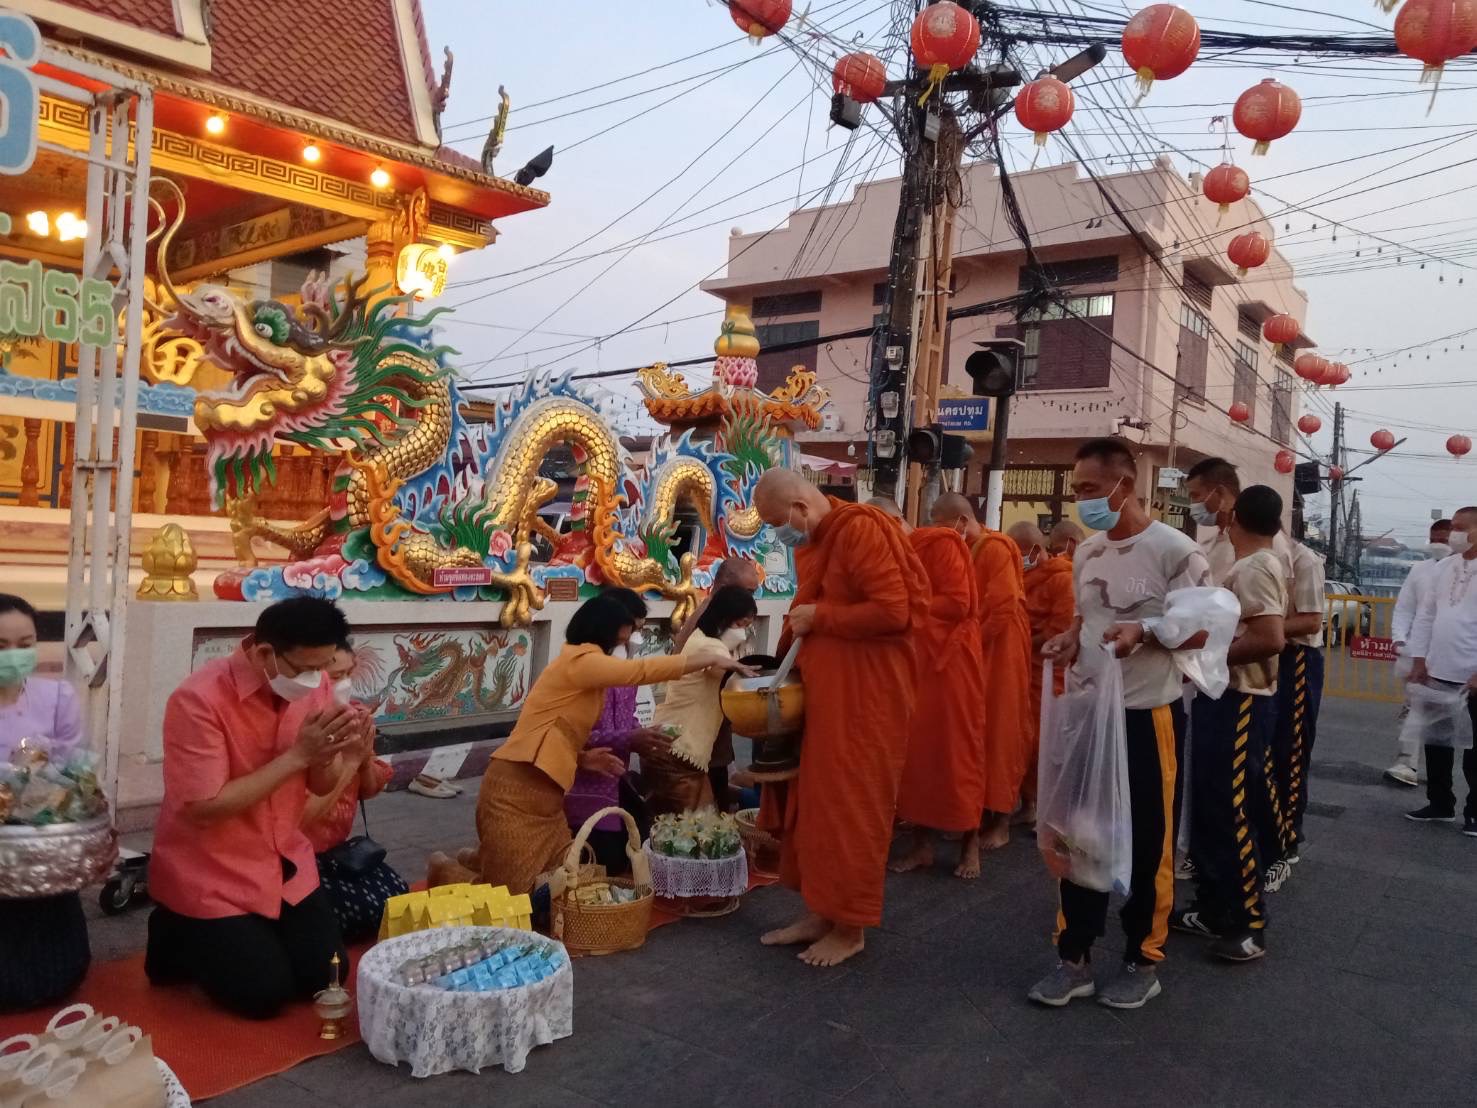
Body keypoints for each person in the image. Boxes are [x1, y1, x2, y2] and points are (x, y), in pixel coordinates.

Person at [1029, 439, 1210, 1010]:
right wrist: (1066, 640)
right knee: (1077, 836)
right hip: (1087, 713)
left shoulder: (1176, 552)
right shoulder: (1087, 552)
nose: (1081, 501)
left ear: (1124, 486)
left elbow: (1204, 631)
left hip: (1144, 715)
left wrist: (1147, 632)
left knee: (1147, 840)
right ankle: (1074, 956)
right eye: (1077, 489)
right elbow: (1087, 619)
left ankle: (1142, 958)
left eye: (1088, 489)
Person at [428, 595, 751, 895]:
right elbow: (640, 671)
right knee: (513, 895)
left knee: (559, 880)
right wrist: (703, 657)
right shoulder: (581, 660)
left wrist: (583, 759)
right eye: (621, 641)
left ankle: (483, 858)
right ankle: (445, 870)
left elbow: (558, 730)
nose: (625, 647)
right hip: (515, 789)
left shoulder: (589, 677)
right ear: (602, 634)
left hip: (548, 797)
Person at [145, 597, 359, 1019]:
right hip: (212, 867)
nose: (314, 680)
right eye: (302, 669)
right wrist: (298, 756)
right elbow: (204, 808)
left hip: (283, 862)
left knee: (327, 976)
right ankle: (176, 929)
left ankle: (248, 934)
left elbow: (322, 782)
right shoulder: (199, 700)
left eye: (323, 668)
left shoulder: (316, 685)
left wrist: (332, 753)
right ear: (264, 653)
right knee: (262, 995)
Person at [753, 468, 927, 967]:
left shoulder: (860, 529)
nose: (776, 535)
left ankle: (849, 928)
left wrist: (822, 618)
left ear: (801, 510)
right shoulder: (826, 536)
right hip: (829, 695)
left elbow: (895, 611)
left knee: (852, 806)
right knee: (816, 807)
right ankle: (820, 911)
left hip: (866, 700)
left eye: (774, 523)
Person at [1175, 486, 1288, 964]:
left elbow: (1270, 637)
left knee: (1231, 806)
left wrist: (1206, 657)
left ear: (1234, 515)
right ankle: (1215, 906)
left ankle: (1249, 923)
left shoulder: (1259, 565)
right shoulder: (1241, 563)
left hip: (1242, 698)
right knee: (1208, 804)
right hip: (1219, 695)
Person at [0, 593, 91, 1011]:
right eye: (1, 646)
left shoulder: (57, 698)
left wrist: (39, 791)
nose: (14, 655)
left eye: (25, 643)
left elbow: (73, 769)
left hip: (38, 835)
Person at [930, 492, 1034, 850]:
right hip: (975, 650)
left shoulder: (995, 548)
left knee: (1002, 731)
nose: (941, 534)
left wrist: (972, 643)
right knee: (972, 730)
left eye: (944, 527)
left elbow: (1002, 604)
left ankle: (1001, 819)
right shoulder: (963, 549)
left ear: (960, 521)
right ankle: (969, 812)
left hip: (1000, 649)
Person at [890, 518, 988, 879]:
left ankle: (970, 842)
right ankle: (922, 844)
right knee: (917, 755)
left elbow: (958, 602)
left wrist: (905, 605)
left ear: (897, 523)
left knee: (957, 752)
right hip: (917, 662)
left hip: (951, 665)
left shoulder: (940, 543)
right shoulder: (899, 550)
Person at [302, 642, 408, 943]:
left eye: (349, 674)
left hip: (339, 855)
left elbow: (371, 788)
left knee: (395, 899)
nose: (344, 684)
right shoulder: (300, 730)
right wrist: (348, 762)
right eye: (336, 676)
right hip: (297, 857)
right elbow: (302, 815)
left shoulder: (356, 718)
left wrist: (362, 758)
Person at [564, 588, 674, 872]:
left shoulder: (626, 673)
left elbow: (627, 719)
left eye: (639, 630)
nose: (636, 639)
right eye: (630, 632)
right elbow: (571, 734)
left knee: (635, 848)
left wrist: (646, 736)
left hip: (616, 777)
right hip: (582, 783)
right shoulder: (579, 672)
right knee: (598, 863)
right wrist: (630, 738)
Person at [645, 586, 759, 817]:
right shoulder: (712, 647)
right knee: (694, 835)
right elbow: (722, 675)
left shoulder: (699, 637)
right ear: (725, 618)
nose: (744, 632)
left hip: (668, 746)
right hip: (678, 752)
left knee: (677, 830)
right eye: (742, 624)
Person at [1404, 505, 1477, 834]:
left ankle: (1474, 812)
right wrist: (1419, 659)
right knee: (1436, 741)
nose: (1453, 535)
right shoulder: (1446, 567)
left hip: (1472, 676)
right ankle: (1440, 803)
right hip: (1439, 668)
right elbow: (1426, 615)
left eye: (1461, 528)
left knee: (1474, 749)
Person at [673, 558, 763, 807]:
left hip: (710, 728)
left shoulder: (718, 619)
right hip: (696, 733)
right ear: (723, 587)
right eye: (747, 592)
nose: (750, 599)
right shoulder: (708, 625)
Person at [1010, 520, 1076, 825]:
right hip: (1016, 665)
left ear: (1036, 550)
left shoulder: (1062, 579)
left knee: (1041, 739)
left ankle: (1037, 803)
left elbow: (1058, 630)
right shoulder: (1023, 574)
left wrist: (1017, 639)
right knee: (1017, 736)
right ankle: (1021, 799)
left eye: (1018, 552)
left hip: (1047, 668)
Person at [1386, 520, 1452, 786]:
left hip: (1455, 659)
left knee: (1449, 719)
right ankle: (1407, 764)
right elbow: (1405, 608)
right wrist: (1399, 638)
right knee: (1416, 708)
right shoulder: (1420, 570)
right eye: (1434, 538)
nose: (1438, 544)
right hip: (1419, 654)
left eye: (1444, 539)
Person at [1276, 538, 1327, 860]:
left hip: (1297, 656)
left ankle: (1289, 835)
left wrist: (1258, 628)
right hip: (1264, 654)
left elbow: (1310, 620)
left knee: (1291, 748)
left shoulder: (1302, 560)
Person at [1186, 457, 1295, 587]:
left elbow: (1280, 597)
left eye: (1196, 496)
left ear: (1220, 492)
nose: (1193, 505)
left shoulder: (1264, 541)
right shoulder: (1210, 545)